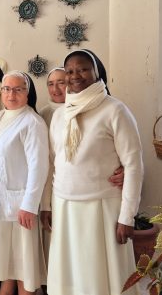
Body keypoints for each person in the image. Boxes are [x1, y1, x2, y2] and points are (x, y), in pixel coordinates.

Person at [41, 49, 144, 295]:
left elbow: (133, 164)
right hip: (64, 204)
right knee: (71, 274)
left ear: (96, 72)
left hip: (103, 208)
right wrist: (47, 204)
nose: (75, 75)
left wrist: (127, 217)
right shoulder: (59, 115)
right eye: (70, 71)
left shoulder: (114, 110)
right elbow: (52, 162)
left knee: (102, 277)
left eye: (83, 69)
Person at [0, 71, 49, 295]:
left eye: (18, 89)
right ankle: (7, 287)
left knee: (22, 257)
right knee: (5, 253)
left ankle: (27, 291)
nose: (11, 94)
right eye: (6, 89)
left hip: (18, 202)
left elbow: (39, 166)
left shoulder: (32, 122)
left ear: (28, 92)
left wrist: (29, 205)